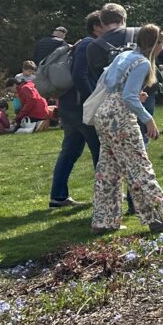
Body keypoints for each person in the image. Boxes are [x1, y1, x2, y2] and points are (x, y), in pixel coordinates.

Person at [89, 23, 163, 234]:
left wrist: (131, 98)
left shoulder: (125, 55)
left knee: (108, 169)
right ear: (155, 43)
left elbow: (110, 84)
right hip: (120, 117)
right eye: (162, 43)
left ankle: (103, 221)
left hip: (104, 113)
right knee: (139, 165)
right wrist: (147, 118)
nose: (162, 48)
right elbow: (129, 96)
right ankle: (159, 217)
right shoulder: (142, 63)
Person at [49, 11, 104, 208]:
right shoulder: (88, 44)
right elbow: (80, 76)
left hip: (70, 107)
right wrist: (94, 102)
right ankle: (105, 196)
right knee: (101, 151)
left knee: (70, 152)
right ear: (97, 27)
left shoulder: (85, 44)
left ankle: (58, 196)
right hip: (81, 109)